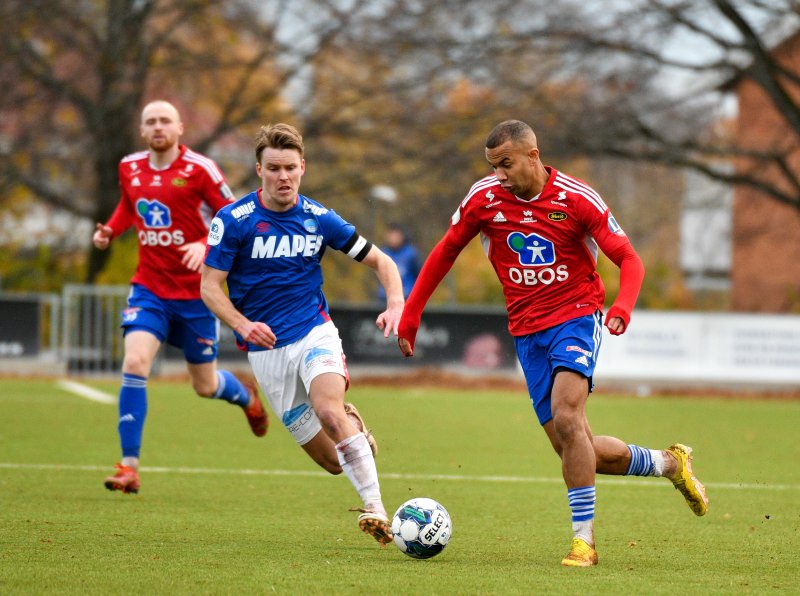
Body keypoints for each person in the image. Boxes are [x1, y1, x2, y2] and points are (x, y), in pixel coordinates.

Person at [396, 120, 708, 567]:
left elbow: (629, 259)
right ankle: (669, 464)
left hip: (577, 317)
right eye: (492, 166)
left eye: (505, 164)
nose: (499, 174)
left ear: (533, 155)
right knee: (574, 446)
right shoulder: (483, 198)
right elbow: (446, 250)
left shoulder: (578, 199)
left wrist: (622, 306)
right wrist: (412, 313)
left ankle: (584, 542)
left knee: (567, 414)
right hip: (526, 330)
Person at [200, 123, 404, 546]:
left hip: (315, 333)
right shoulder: (234, 221)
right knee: (333, 462)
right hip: (267, 352)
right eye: (273, 168)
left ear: (302, 167)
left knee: (328, 410)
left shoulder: (318, 217)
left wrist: (396, 304)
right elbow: (208, 285)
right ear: (259, 169)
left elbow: (383, 262)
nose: (283, 177)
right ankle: (356, 435)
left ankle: (376, 509)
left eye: (290, 168)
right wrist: (241, 324)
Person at [93, 100, 268, 495]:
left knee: (204, 386)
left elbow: (235, 214)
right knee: (135, 361)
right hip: (150, 289)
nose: (158, 127)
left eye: (165, 121)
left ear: (179, 127)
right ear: (142, 130)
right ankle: (129, 467)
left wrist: (205, 243)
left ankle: (245, 397)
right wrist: (111, 230)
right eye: (150, 121)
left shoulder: (200, 169)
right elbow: (129, 207)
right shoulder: (129, 168)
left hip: (196, 294)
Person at [376, 222, 420, 300]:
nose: (393, 238)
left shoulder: (411, 253)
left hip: (407, 296)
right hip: (385, 298)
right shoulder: (383, 253)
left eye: (396, 235)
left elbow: (418, 274)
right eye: (391, 235)